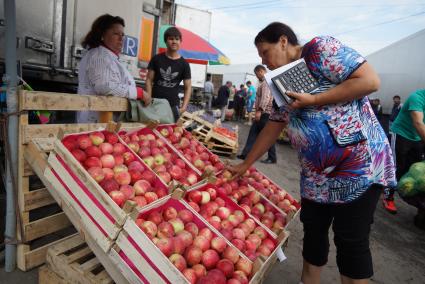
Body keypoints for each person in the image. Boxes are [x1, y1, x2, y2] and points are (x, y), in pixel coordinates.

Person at [228, 22, 396, 284]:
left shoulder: (320, 50)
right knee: (314, 237)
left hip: (357, 169)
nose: (263, 61)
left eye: (265, 52)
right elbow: (274, 125)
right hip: (317, 176)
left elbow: (370, 81)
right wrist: (246, 164)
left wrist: (316, 99)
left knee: (350, 241)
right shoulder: (281, 80)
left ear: (283, 41)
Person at [77, 14, 150, 123]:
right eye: (116, 34)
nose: (121, 38)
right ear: (102, 35)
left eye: (122, 35)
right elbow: (104, 87)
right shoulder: (99, 56)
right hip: (97, 123)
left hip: (106, 121)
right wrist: (138, 93)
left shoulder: (108, 56)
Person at [387, 90, 425, 228]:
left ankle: (416, 202)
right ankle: (388, 197)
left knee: (416, 171)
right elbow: (418, 123)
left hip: (418, 138)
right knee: (396, 167)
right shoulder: (418, 97)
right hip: (401, 135)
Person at [146, 26, 191, 122]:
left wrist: (183, 107)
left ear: (180, 42)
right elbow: (149, 80)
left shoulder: (184, 64)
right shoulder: (156, 59)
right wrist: (148, 98)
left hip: (173, 107)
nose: (174, 41)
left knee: (170, 132)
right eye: (171, 39)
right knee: (151, 130)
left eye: (177, 39)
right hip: (155, 104)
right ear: (166, 41)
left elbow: (188, 87)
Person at [237, 65, 276, 164]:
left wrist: (259, 110)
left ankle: (272, 157)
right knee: (253, 133)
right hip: (263, 113)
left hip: (265, 113)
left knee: (267, 136)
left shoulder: (266, 82)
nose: (256, 76)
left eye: (256, 74)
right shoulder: (264, 82)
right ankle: (246, 154)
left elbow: (266, 97)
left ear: (261, 71)